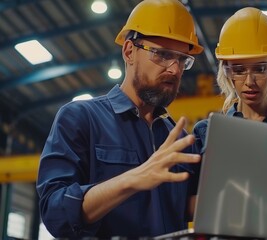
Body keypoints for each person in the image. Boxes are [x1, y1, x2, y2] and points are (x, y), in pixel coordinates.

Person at [36, 0, 203, 238]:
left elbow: (184, 209)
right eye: (163, 54)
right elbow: (56, 213)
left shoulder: (180, 140)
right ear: (128, 51)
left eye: (182, 59)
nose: (175, 70)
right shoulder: (81, 118)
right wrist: (134, 178)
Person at [190, 7, 267, 196]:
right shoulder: (205, 133)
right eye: (239, 70)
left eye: (260, 69)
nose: (250, 82)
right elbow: (192, 204)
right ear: (226, 71)